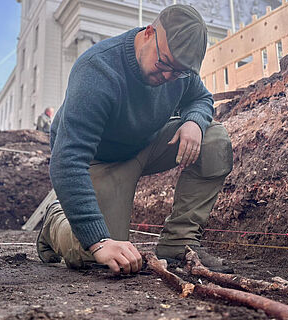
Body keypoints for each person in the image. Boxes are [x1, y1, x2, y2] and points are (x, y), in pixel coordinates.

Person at [37, 4, 233, 275]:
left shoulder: (179, 70)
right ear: (149, 33)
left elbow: (200, 97)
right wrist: (99, 241)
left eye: (177, 72)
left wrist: (194, 121)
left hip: (146, 144)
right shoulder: (97, 70)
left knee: (214, 138)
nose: (168, 77)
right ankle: (55, 221)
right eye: (164, 64)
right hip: (101, 158)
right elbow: (67, 160)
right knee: (96, 254)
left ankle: (179, 242)